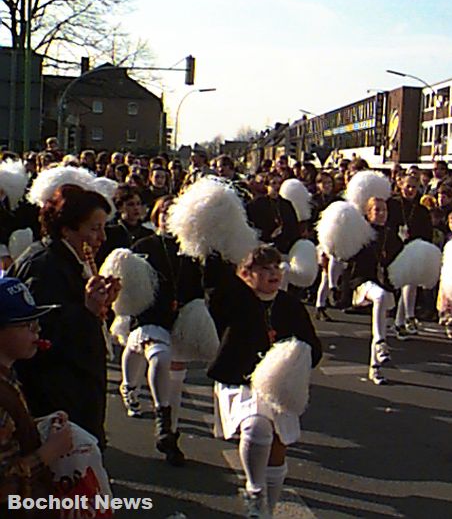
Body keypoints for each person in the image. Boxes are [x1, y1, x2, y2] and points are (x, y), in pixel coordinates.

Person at [208, 245, 322, 518]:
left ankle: (265, 511)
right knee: (256, 428)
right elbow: (214, 287)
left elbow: (312, 347)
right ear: (246, 274)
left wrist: (295, 359)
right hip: (241, 380)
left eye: (276, 267)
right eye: (264, 268)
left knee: (277, 446)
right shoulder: (235, 299)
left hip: (279, 387)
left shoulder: (290, 305)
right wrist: (217, 244)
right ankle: (255, 489)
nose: (273, 273)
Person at [10, 184, 119, 449]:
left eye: (103, 227)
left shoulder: (69, 259)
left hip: (75, 387)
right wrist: (88, 311)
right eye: (94, 229)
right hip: (57, 394)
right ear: (67, 228)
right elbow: (39, 335)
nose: (101, 238)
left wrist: (104, 304)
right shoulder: (44, 264)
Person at [121, 196, 205, 466]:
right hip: (149, 316)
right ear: (156, 215)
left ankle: (170, 435)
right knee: (158, 356)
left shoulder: (191, 251)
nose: (168, 216)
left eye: (173, 212)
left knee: (176, 383)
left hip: (179, 320)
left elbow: (198, 288)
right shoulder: (144, 245)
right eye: (163, 211)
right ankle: (144, 400)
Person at [0, 277, 75, 517]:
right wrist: (48, 453)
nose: (37, 330)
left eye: (36, 322)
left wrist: (38, 426)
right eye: (26, 325)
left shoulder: (8, 373)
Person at [347, 197, 403, 385]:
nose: (381, 214)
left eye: (384, 210)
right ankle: (380, 342)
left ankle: (375, 368)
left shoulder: (391, 235)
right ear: (369, 213)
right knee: (378, 296)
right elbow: (348, 255)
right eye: (377, 210)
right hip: (362, 282)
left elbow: (397, 259)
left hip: (383, 284)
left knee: (379, 320)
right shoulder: (362, 234)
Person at [387, 174, 432, 340]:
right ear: (400, 185)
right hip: (393, 248)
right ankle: (403, 319)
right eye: (408, 186)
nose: (411, 190)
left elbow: (427, 232)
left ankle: (403, 320)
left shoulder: (421, 210)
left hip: (412, 249)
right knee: (404, 284)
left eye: (414, 187)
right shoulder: (392, 204)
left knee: (410, 281)